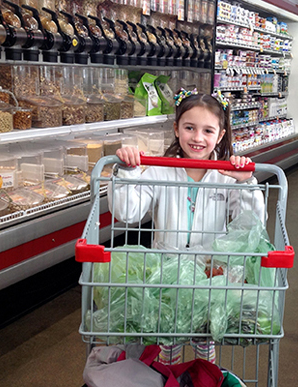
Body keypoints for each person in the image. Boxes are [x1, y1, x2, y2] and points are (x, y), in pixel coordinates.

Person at [108, 89, 265, 365]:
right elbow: (127, 211)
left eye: (207, 130)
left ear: (220, 135)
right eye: (189, 127)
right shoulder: (159, 170)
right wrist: (129, 170)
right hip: (166, 273)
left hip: (209, 274)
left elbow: (251, 224)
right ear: (176, 129)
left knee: (204, 339)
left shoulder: (225, 174)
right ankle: (171, 377)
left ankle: (204, 376)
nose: (197, 138)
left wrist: (245, 183)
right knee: (169, 336)